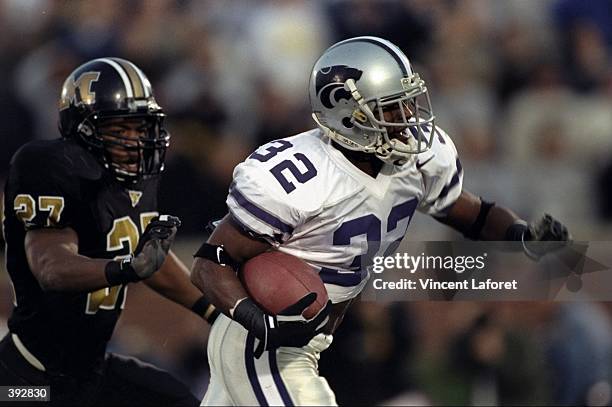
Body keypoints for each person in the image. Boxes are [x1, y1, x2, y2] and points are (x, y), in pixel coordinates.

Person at [190, 36, 570, 406]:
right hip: (261, 342)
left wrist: (520, 235)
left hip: (309, 340)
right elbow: (210, 263)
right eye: (390, 109)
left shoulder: (417, 161)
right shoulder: (300, 177)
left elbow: (468, 212)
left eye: (407, 105)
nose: (406, 120)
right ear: (344, 111)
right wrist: (261, 323)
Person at [0, 57, 218, 406]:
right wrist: (125, 269)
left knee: (181, 401)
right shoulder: (50, 166)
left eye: (140, 128)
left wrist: (214, 311)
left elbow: (148, 258)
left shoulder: (135, 178)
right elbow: (50, 266)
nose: (134, 142)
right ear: (82, 130)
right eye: (119, 131)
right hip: (29, 378)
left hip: (93, 371)